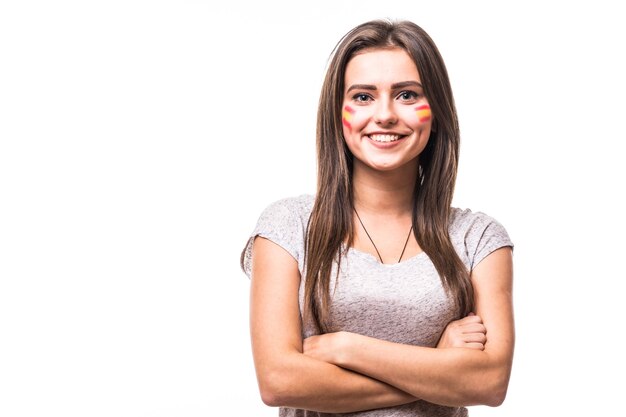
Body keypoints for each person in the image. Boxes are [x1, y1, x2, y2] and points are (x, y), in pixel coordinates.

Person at [241, 19, 514, 417]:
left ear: (434, 110)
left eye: (406, 94)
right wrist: (438, 365)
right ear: (339, 113)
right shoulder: (288, 227)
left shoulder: (478, 238)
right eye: (363, 97)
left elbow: (489, 383)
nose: (385, 115)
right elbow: (279, 381)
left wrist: (346, 347)